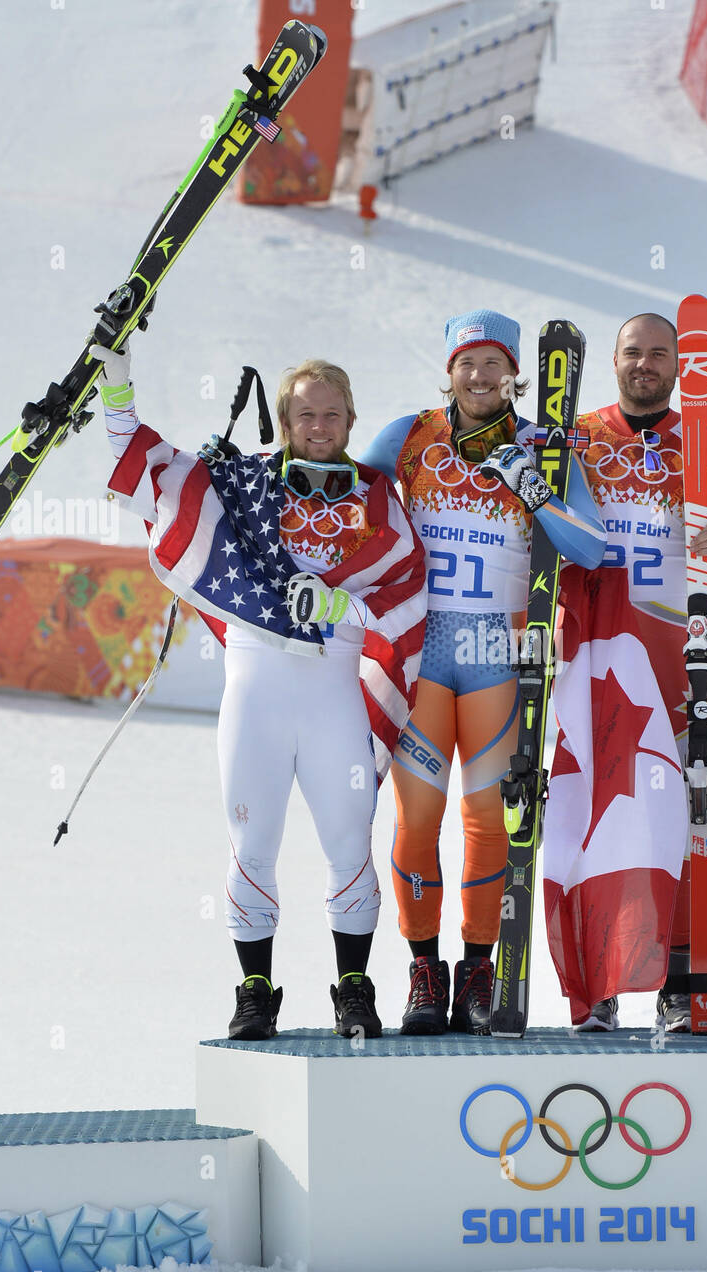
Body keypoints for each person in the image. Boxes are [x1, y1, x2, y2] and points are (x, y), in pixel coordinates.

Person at [91, 342, 427, 1042]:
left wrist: (343, 611)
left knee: (348, 843)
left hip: (333, 693)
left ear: (349, 418)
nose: (319, 426)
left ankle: (355, 990)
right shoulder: (238, 483)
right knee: (252, 844)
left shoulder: (374, 494)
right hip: (256, 689)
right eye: (305, 415)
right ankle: (254, 992)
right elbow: (143, 465)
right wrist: (116, 387)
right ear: (283, 421)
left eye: (332, 414)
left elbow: (404, 589)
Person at [362, 311, 606, 1034]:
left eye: (493, 362)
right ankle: (422, 970)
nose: (479, 375)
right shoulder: (407, 438)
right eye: (467, 362)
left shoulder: (544, 445)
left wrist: (534, 487)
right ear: (447, 369)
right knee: (415, 824)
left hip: (497, 656)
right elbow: (344, 506)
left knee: (491, 823)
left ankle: (477, 966)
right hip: (424, 654)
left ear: (514, 374)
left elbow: (589, 549)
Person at [543, 312, 707, 1032]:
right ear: (614, 361)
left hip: (677, 652)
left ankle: (679, 978)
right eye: (633, 353)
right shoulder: (578, 436)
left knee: (679, 818)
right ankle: (599, 976)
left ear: (680, 364)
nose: (645, 364)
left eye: (659, 353)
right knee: (595, 814)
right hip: (594, 649)